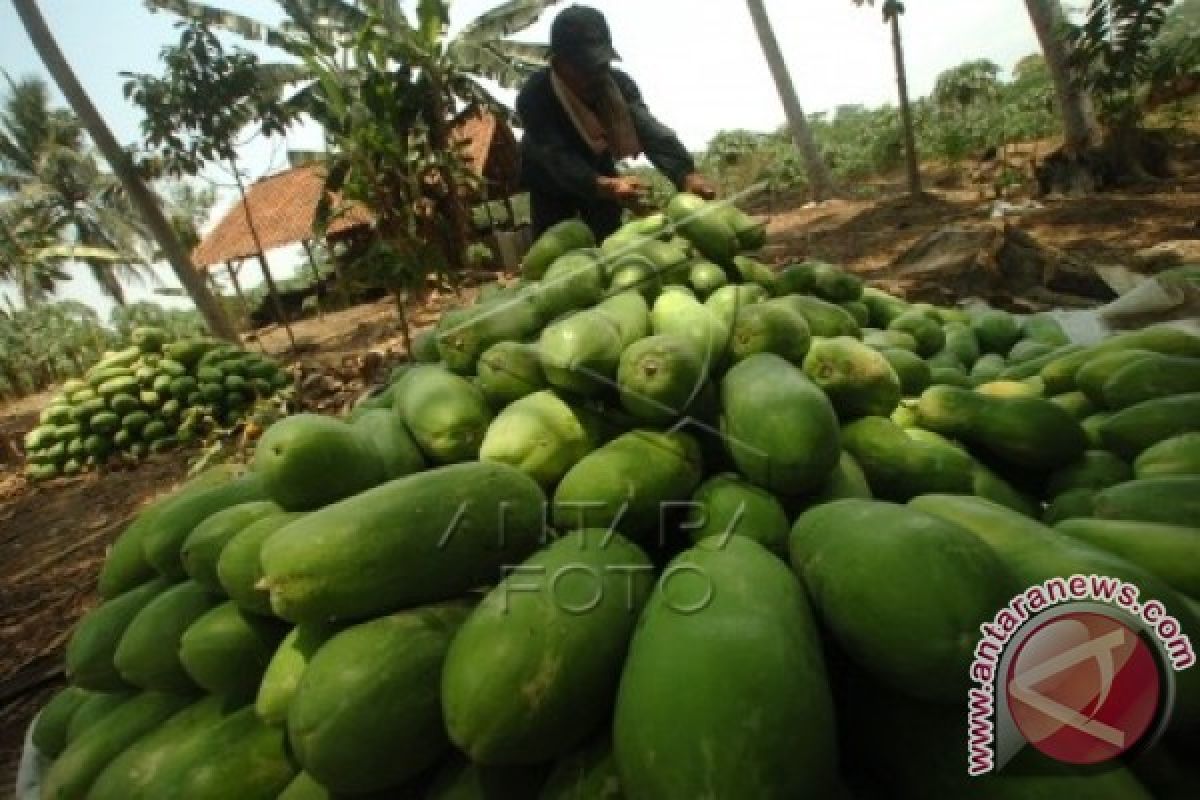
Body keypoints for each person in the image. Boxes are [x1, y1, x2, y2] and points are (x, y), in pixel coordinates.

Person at [517, 5, 716, 240]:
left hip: (599, 167)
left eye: (601, 66)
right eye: (585, 68)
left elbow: (649, 131)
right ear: (560, 65)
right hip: (548, 176)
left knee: (610, 236)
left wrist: (686, 174)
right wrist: (605, 186)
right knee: (553, 243)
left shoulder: (619, 86)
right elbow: (558, 157)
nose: (596, 76)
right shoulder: (535, 97)